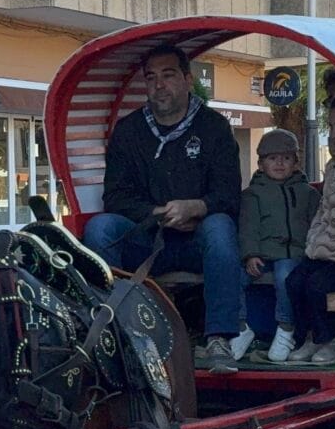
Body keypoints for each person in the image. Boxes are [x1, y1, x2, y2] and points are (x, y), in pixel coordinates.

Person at [82, 44, 245, 373]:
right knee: (100, 229)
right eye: (151, 78)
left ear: (187, 80)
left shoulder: (213, 127)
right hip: (147, 239)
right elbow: (115, 196)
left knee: (220, 226)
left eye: (168, 75)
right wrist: (160, 213)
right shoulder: (128, 132)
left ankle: (219, 340)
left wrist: (196, 207)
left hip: (198, 241)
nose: (159, 84)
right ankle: (115, 330)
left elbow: (228, 194)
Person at [283, 90, 335, 365]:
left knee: (318, 286)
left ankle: (333, 340)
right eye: (331, 126)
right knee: (294, 281)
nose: (333, 133)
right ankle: (310, 337)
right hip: (325, 245)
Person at [238, 129, 319, 362]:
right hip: (261, 254)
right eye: (272, 158)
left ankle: (285, 329)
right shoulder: (252, 194)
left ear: (296, 162)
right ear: (261, 163)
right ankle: (240, 327)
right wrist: (250, 254)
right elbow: (248, 227)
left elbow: (315, 224)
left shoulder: (308, 193)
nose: (280, 163)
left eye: (286, 158)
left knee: (285, 277)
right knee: (233, 276)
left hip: (293, 253)